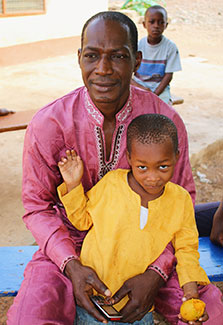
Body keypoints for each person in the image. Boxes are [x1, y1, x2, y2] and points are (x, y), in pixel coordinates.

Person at [7, 11, 222, 325]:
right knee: (30, 317)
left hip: (149, 244)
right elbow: (37, 207)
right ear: (79, 58)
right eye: (92, 56)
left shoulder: (165, 121)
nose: (103, 70)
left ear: (136, 61)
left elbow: (181, 201)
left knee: (211, 313)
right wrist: (70, 263)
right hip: (68, 248)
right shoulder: (48, 124)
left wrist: (156, 272)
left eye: (118, 56)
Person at [57, 114, 212, 324]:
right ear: (129, 158)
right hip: (94, 301)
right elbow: (81, 221)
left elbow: (186, 248)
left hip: (139, 307)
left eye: (163, 166)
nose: (153, 176)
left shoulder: (180, 200)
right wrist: (74, 185)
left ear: (176, 156)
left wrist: (190, 289)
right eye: (142, 167)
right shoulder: (112, 184)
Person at [132, 5, 182, 104]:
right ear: (144, 24)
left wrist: (154, 94)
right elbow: (128, 75)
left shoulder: (170, 47)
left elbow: (168, 76)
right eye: (152, 22)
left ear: (166, 25)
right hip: (138, 86)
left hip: (160, 88)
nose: (156, 26)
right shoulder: (137, 46)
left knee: (164, 110)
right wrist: (142, 89)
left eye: (161, 22)